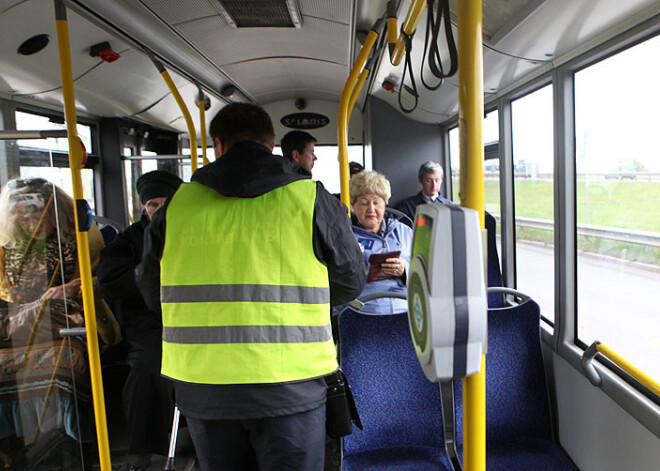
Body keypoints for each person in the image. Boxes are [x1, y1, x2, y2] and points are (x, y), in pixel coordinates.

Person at [136, 103, 368, 471]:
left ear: (218, 145)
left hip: (203, 386)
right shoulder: (310, 199)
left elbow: (152, 292)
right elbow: (350, 282)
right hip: (291, 382)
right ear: (271, 143)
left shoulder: (178, 205)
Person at [0, 178, 119, 467]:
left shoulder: (83, 236)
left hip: (69, 314)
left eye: (38, 216)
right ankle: (12, 444)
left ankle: (78, 444)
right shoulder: (6, 246)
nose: (31, 224)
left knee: (61, 367)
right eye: (23, 218)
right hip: (17, 318)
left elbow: (106, 279)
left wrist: (74, 286)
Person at [98, 170, 182, 471]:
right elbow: (111, 280)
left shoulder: (193, 232)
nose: (158, 211)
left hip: (190, 317)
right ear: (143, 208)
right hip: (147, 322)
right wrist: (148, 276)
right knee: (148, 367)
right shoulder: (129, 241)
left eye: (165, 204)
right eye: (152, 205)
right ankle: (141, 453)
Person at [350, 171, 412, 314]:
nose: (371, 209)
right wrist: (351, 260)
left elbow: (425, 270)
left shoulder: (404, 232)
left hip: (405, 310)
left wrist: (405, 270)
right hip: (365, 311)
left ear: (385, 203)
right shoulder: (346, 237)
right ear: (353, 206)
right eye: (364, 202)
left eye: (376, 202)